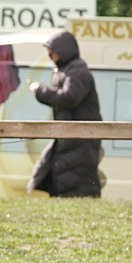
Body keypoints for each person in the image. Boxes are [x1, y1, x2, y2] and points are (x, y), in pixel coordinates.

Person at [27, 30, 103, 197]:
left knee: (76, 175)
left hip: (79, 136)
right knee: (61, 171)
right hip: (69, 135)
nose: (50, 57)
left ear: (62, 50)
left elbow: (69, 98)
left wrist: (41, 91)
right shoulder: (67, 69)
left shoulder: (78, 70)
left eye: (51, 53)